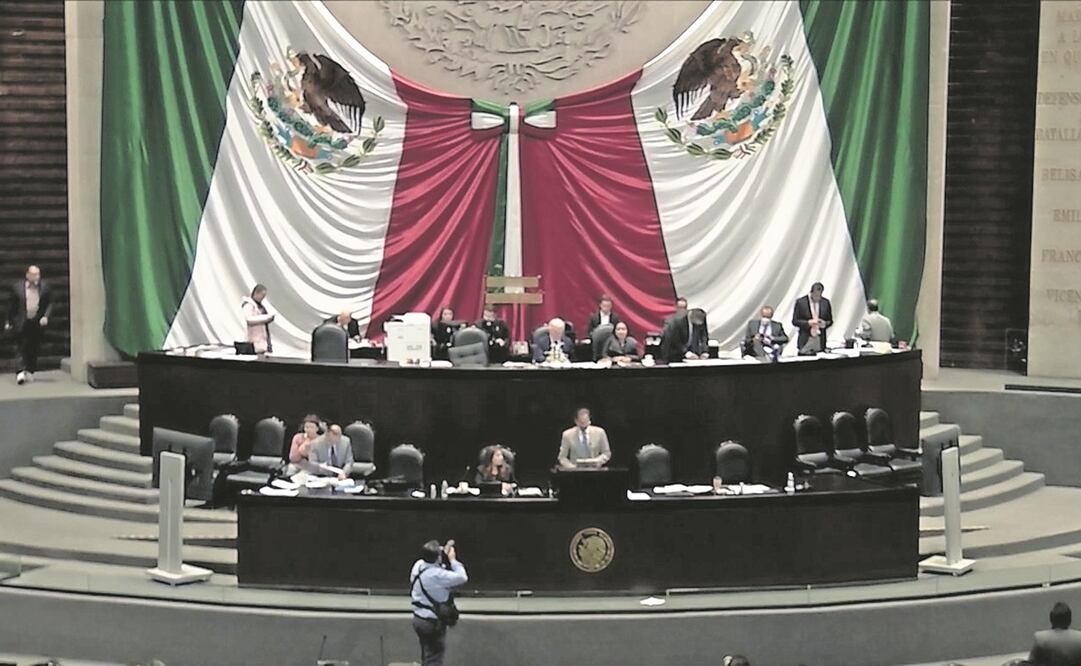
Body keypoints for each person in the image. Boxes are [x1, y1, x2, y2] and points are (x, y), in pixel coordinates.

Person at [410, 539, 468, 666]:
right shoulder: (438, 575)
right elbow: (462, 577)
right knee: (434, 659)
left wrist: (442, 552)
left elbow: (432, 560)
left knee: (427, 655)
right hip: (432, 623)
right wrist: (452, 559)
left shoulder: (418, 565)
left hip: (418, 619)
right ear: (437, 558)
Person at [5, 265, 52, 385]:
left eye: (38, 274)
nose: (37, 277)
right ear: (27, 275)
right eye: (34, 274)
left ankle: (30, 369)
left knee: (33, 346)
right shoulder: (17, 288)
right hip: (21, 321)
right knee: (19, 346)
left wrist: (46, 316)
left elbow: (49, 303)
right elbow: (11, 306)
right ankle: (20, 371)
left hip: (35, 321)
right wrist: (8, 321)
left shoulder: (45, 287)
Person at [1028, 601, 1081, 666]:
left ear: (1051, 619)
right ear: (1069, 620)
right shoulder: (1079, 638)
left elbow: (1031, 663)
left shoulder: (1040, 639)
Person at [792, 282, 833, 353]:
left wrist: (825, 324)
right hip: (806, 338)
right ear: (811, 292)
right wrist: (808, 323)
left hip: (820, 339)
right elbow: (795, 321)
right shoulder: (801, 302)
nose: (818, 297)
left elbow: (830, 320)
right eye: (816, 295)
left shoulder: (825, 302)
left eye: (820, 295)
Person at [241, 284, 274, 354]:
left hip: (262, 340)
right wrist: (266, 318)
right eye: (262, 295)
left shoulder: (260, 306)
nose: (262, 298)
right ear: (256, 293)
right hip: (254, 341)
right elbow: (249, 320)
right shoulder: (248, 304)